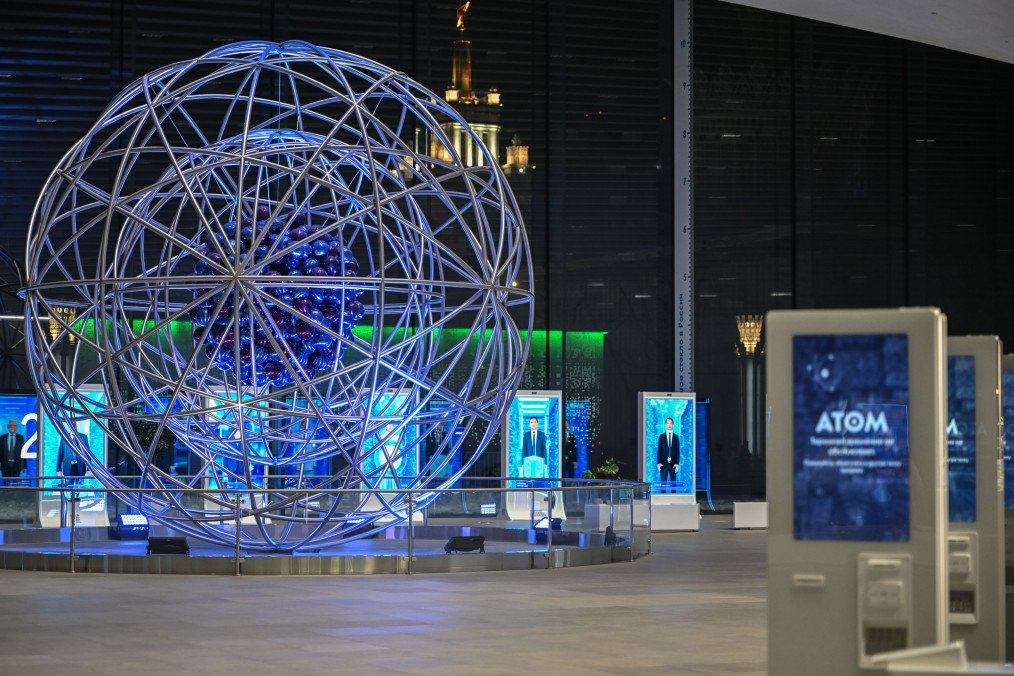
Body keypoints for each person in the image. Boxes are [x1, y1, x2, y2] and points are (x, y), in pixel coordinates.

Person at [656, 417, 679, 493]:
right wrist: (658, 463)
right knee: (663, 485)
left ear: (673, 424)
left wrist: (677, 463)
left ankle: (674, 501)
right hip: (663, 464)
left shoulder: (676, 437)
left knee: (673, 486)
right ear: (665, 424)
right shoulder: (661, 436)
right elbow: (659, 450)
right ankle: (663, 501)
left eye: (670, 423)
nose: (669, 425)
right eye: (667, 423)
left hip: (673, 465)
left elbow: (678, 451)